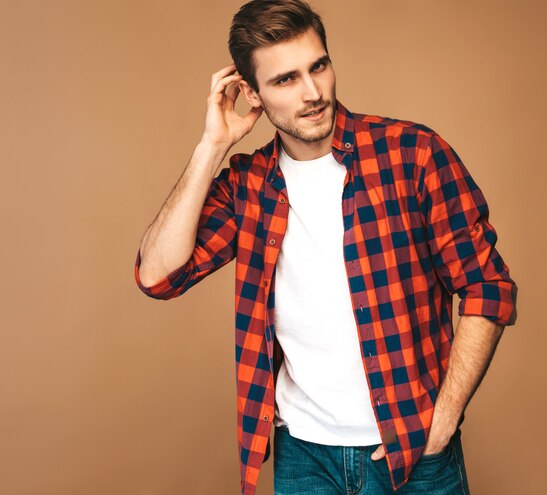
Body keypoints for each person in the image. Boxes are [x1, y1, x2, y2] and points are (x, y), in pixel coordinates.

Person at [133, 1, 518, 494]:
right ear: (250, 93)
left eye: (318, 67)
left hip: (413, 450)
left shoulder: (412, 154)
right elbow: (157, 276)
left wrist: (444, 417)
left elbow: (488, 285)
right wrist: (212, 146)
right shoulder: (249, 185)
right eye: (285, 80)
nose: (313, 93)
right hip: (303, 457)